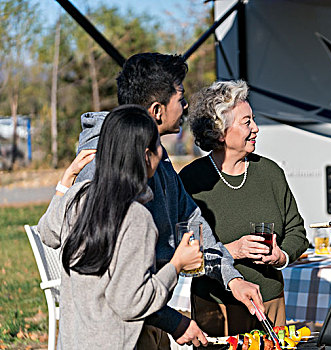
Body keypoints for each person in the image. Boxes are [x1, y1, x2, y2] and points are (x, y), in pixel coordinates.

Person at [74, 53, 264, 348]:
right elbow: (114, 282)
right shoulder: (99, 165)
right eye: (181, 97)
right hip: (112, 331)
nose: (186, 106)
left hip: (152, 313)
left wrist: (232, 278)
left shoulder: (156, 158)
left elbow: (193, 224)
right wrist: (172, 320)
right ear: (157, 110)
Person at [38, 106, 204, 349]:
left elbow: (47, 231)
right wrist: (176, 265)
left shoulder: (79, 196)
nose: (162, 152)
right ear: (146, 156)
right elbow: (131, 302)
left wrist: (66, 181)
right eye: (158, 146)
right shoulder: (136, 217)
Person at [179, 80, 309, 337]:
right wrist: (232, 251)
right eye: (246, 122)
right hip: (216, 308)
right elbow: (185, 253)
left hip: (270, 305)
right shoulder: (191, 180)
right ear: (219, 132)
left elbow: (297, 232)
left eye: (253, 120)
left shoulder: (270, 172)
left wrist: (281, 256)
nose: (256, 128)